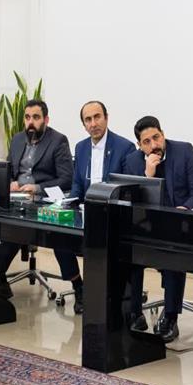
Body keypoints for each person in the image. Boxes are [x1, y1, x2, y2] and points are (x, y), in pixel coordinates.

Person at [123, 115, 193, 341]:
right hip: (147, 227)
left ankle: (170, 316)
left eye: (156, 137)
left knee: (172, 250)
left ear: (163, 134)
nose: (154, 145)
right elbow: (131, 200)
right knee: (127, 250)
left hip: (181, 224)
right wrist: (147, 176)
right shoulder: (133, 161)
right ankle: (134, 312)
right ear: (140, 146)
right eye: (147, 142)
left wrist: (183, 209)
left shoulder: (184, 151)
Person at [0, 99, 73, 299]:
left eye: (36, 117)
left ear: (46, 120)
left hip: (42, 201)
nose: (31, 122)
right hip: (15, 199)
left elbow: (67, 178)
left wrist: (37, 188)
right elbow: (7, 170)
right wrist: (9, 182)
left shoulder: (58, 140)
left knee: (19, 227)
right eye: (27, 117)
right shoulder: (17, 139)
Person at [52, 100, 135, 314]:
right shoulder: (81, 147)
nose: (93, 123)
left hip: (111, 215)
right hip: (84, 212)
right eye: (88, 120)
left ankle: (109, 294)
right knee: (58, 236)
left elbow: (126, 189)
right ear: (84, 125)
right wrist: (68, 204)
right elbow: (77, 185)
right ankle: (79, 287)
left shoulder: (124, 147)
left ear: (106, 118)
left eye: (97, 117)